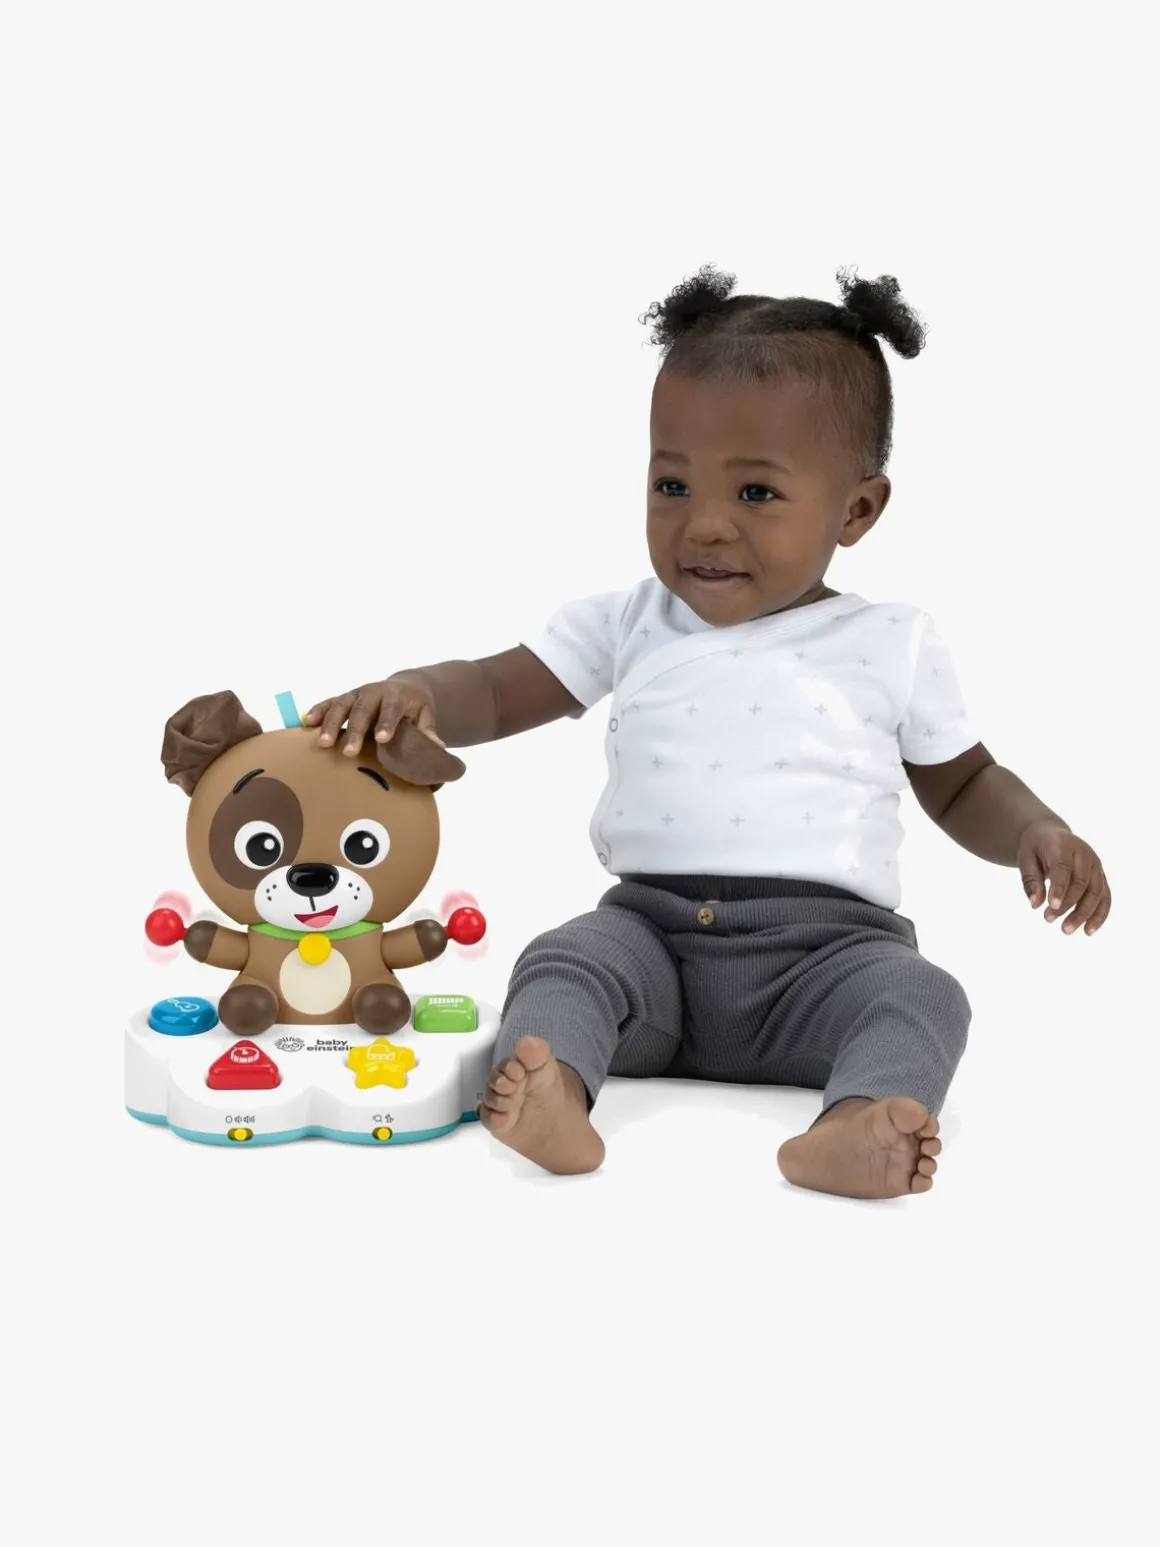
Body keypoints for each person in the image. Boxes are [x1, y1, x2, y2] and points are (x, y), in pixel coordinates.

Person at [305, 265, 1111, 1198]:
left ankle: (855, 1122)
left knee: (924, 994)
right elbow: (493, 688)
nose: (706, 526)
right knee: (564, 958)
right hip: (651, 946)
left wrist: (1035, 829)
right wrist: (415, 692)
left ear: (857, 509)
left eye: (756, 493)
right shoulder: (630, 621)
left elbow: (963, 782)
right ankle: (556, 1090)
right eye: (673, 483)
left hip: (829, 963)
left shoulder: (892, 641)